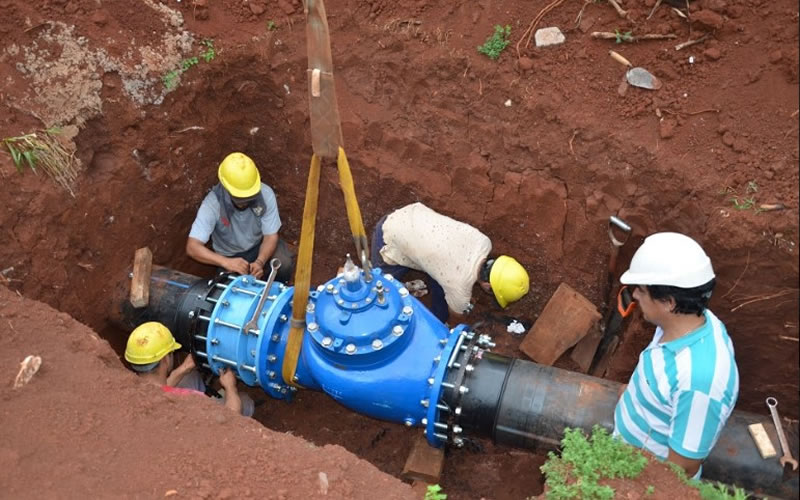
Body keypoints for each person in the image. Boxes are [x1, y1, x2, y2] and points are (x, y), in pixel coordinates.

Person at [613, 232, 739, 479]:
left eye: (640, 290)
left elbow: (680, 469)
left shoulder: (700, 381)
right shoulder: (688, 323)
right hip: (625, 450)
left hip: (639, 476)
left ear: (669, 302)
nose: (635, 296)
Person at [370, 202, 529, 323]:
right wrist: (454, 319)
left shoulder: (484, 242)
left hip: (411, 215)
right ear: (488, 286)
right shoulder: (459, 287)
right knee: (380, 289)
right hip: (389, 236)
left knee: (442, 274)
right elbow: (456, 321)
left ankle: (438, 313)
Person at [187, 152, 293, 282]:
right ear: (226, 188)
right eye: (239, 198)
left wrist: (260, 262)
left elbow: (270, 236)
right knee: (229, 292)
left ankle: (276, 291)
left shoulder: (265, 194)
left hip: (259, 245)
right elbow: (192, 247)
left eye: (249, 197)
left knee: (284, 263)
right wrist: (226, 262)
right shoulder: (212, 204)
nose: (244, 202)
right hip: (230, 256)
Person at [124, 321, 254, 416]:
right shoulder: (191, 400)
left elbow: (159, 389)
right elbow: (231, 418)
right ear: (165, 359)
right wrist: (230, 387)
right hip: (206, 424)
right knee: (245, 402)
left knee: (190, 376)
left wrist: (183, 368)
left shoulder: (128, 389)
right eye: (171, 352)